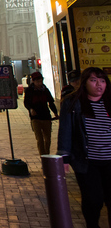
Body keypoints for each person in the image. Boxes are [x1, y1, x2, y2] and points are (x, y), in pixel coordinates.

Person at [57, 67, 111, 228]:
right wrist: (63, 157)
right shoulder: (73, 103)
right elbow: (65, 131)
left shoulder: (109, 101)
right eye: (93, 80)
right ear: (84, 83)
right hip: (87, 161)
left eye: (102, 81)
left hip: (110, 159)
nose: (98, 85)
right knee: (93, 199)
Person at [24, 71, 59, 156]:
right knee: (39, 139)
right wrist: (31, 109)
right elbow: (26, 103)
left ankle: (47, 155)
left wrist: (55, 113)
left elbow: (51, 102)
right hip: (35, 118)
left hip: (46, 117)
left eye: (41, 81)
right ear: (33, 81)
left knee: (47, 139)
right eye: (38, 81)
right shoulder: (29, 90)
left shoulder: (45, 90)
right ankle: (43, 156)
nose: (40, 83)